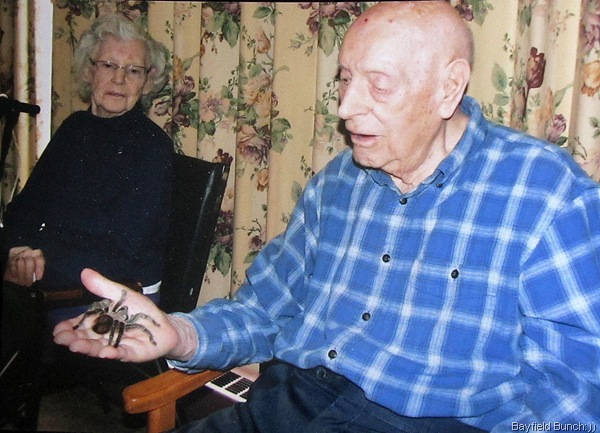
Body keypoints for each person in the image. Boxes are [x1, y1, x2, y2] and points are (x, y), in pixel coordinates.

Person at [53, 2, 600, 433]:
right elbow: (264, 311)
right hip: (292, 402)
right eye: (344, 79)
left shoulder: (543, 192)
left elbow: (577, 394)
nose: (345, 108)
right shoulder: (338, 184)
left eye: (378, 85)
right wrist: (176, 333)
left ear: (448, 88)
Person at [1, 13, 173, 363]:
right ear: (88, 70)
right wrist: (17, 249)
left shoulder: (152, 148)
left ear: (146, 82)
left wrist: (41, 262)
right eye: (108, 65)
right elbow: (25, 208)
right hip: (55, 279)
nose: (119, 79)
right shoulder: (75, 128)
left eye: (134, 70)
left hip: (108, 297)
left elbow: (122, 253)